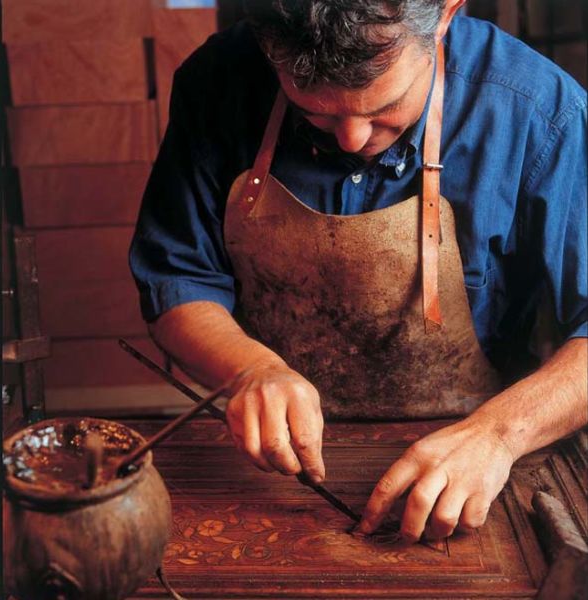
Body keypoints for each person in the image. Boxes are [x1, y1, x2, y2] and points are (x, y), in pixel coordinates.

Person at [130, 0, 587, 541]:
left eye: (385, 106)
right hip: (270, 464)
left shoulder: (538, 109)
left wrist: (499, 435)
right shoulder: (218, 82)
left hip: (475, 458)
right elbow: (178, 278)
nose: (350, 139)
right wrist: (250, 370)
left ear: (443, 16)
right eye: (315, 112)